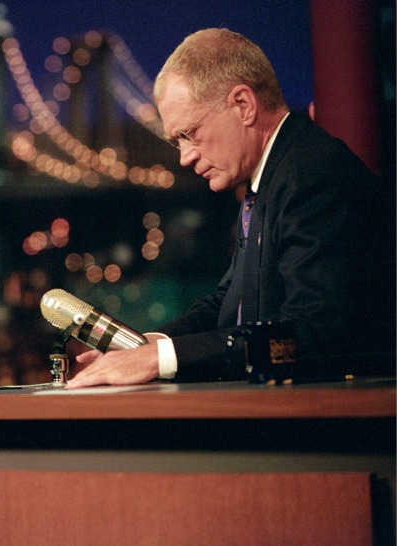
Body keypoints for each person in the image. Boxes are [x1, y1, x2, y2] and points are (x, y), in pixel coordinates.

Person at [67, 28, 394, 388]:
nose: (186, 157)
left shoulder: (310, 173)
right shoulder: (270, 177)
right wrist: (146, 348)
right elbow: (228, 304)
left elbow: (313, 331)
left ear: (243, 105)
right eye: (177, 141)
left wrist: (160, 360)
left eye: (189, 134)